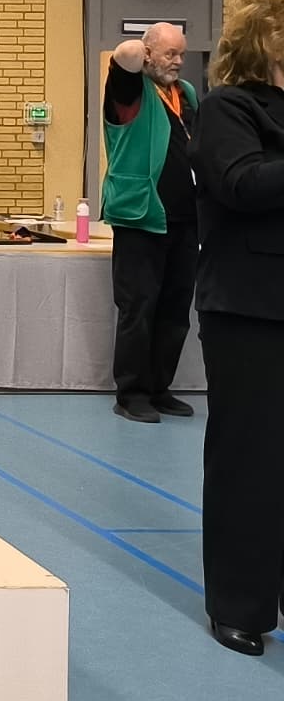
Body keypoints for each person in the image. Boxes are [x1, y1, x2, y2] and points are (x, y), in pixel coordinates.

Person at [189, 0, 284, 657]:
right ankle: (240, 604)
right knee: (250, 461)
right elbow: (241, 184)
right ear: (268, 34)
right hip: (251, 308)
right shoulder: (229, 108)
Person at [100, 22, 199, 423]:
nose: (178, 62)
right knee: (138, 308)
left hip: (184, 219)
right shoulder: (129, 89)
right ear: (148, 55)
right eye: (169, 53)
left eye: (182, 54)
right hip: (140, 217)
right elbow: (123, 54)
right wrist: (139, 50)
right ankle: (131, 393)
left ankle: (159, 387)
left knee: (175, 310)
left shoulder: (186, 93)